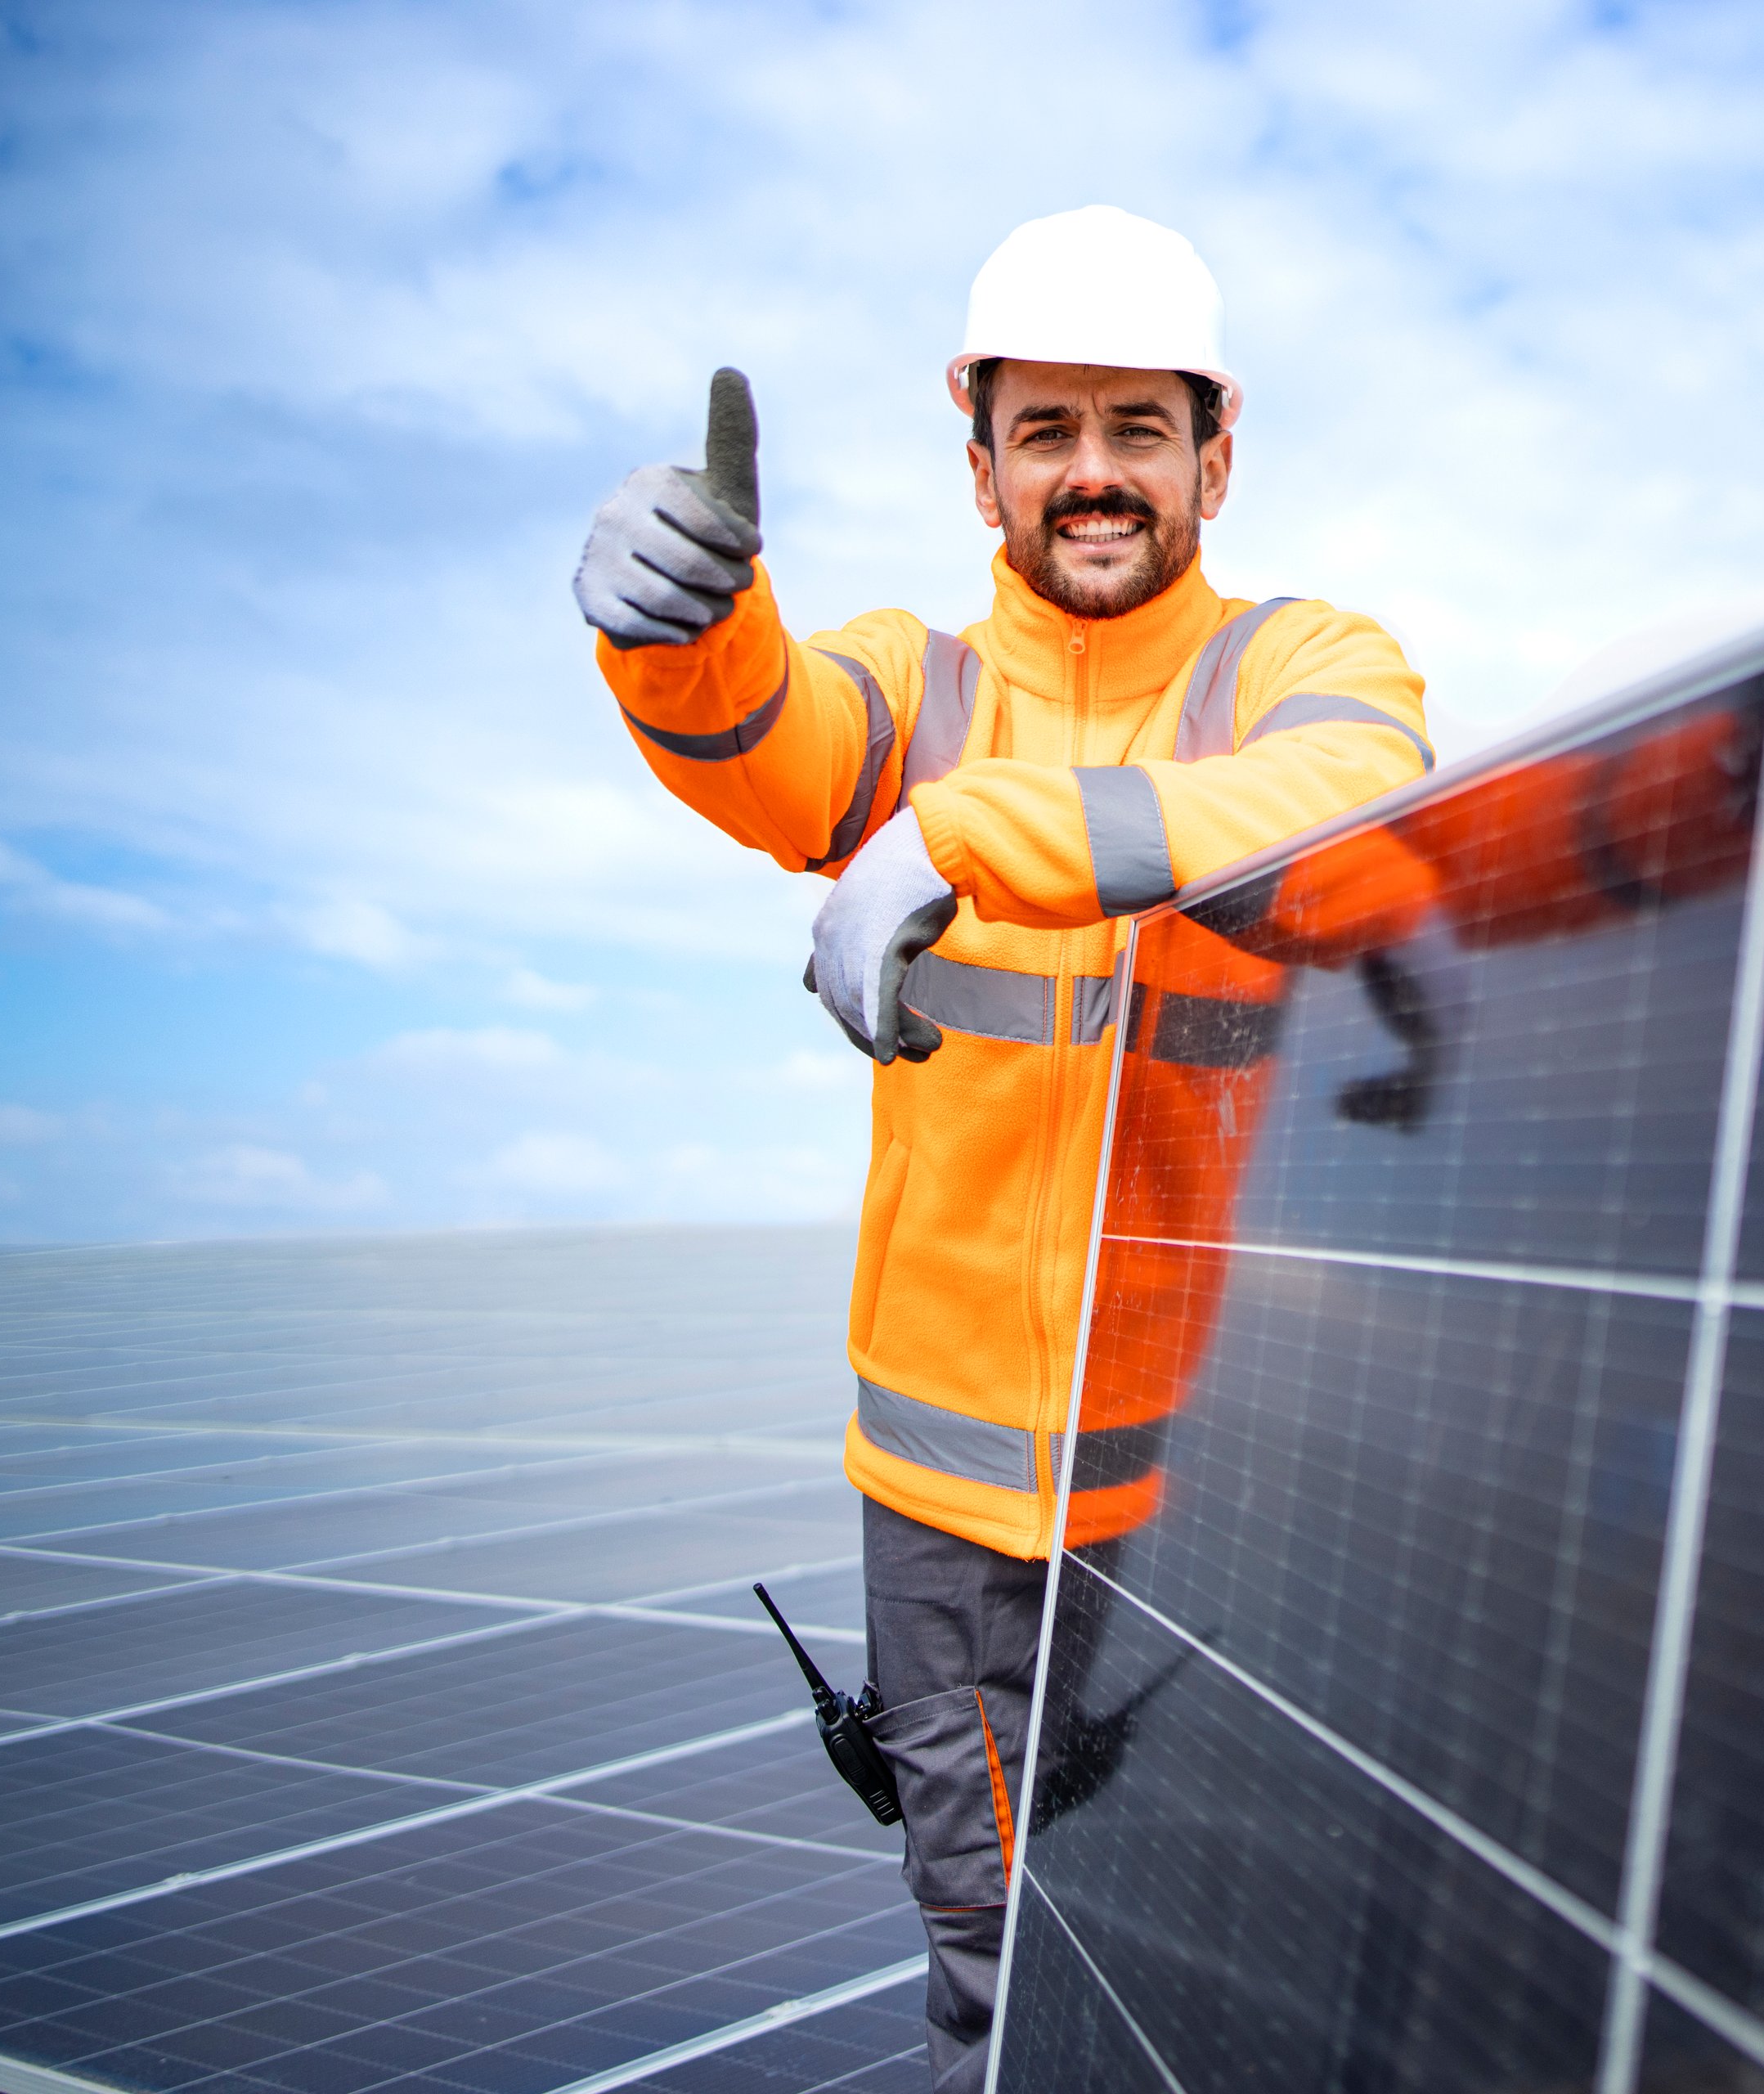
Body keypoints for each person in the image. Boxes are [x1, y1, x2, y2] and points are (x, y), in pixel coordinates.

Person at [570, 204, 1435, 2092]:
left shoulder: (1306, 665)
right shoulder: (914, 680)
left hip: (1210, 1499)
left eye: (1140, 424)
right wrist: (689, 628)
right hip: (949, 1507)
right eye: (1048, 429)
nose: (1096, 473)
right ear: (981, 462)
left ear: (1219, 450)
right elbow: (774, 744)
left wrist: (975, 839)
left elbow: (1365, 805)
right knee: (992, 1946)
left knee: (1221, 1941)